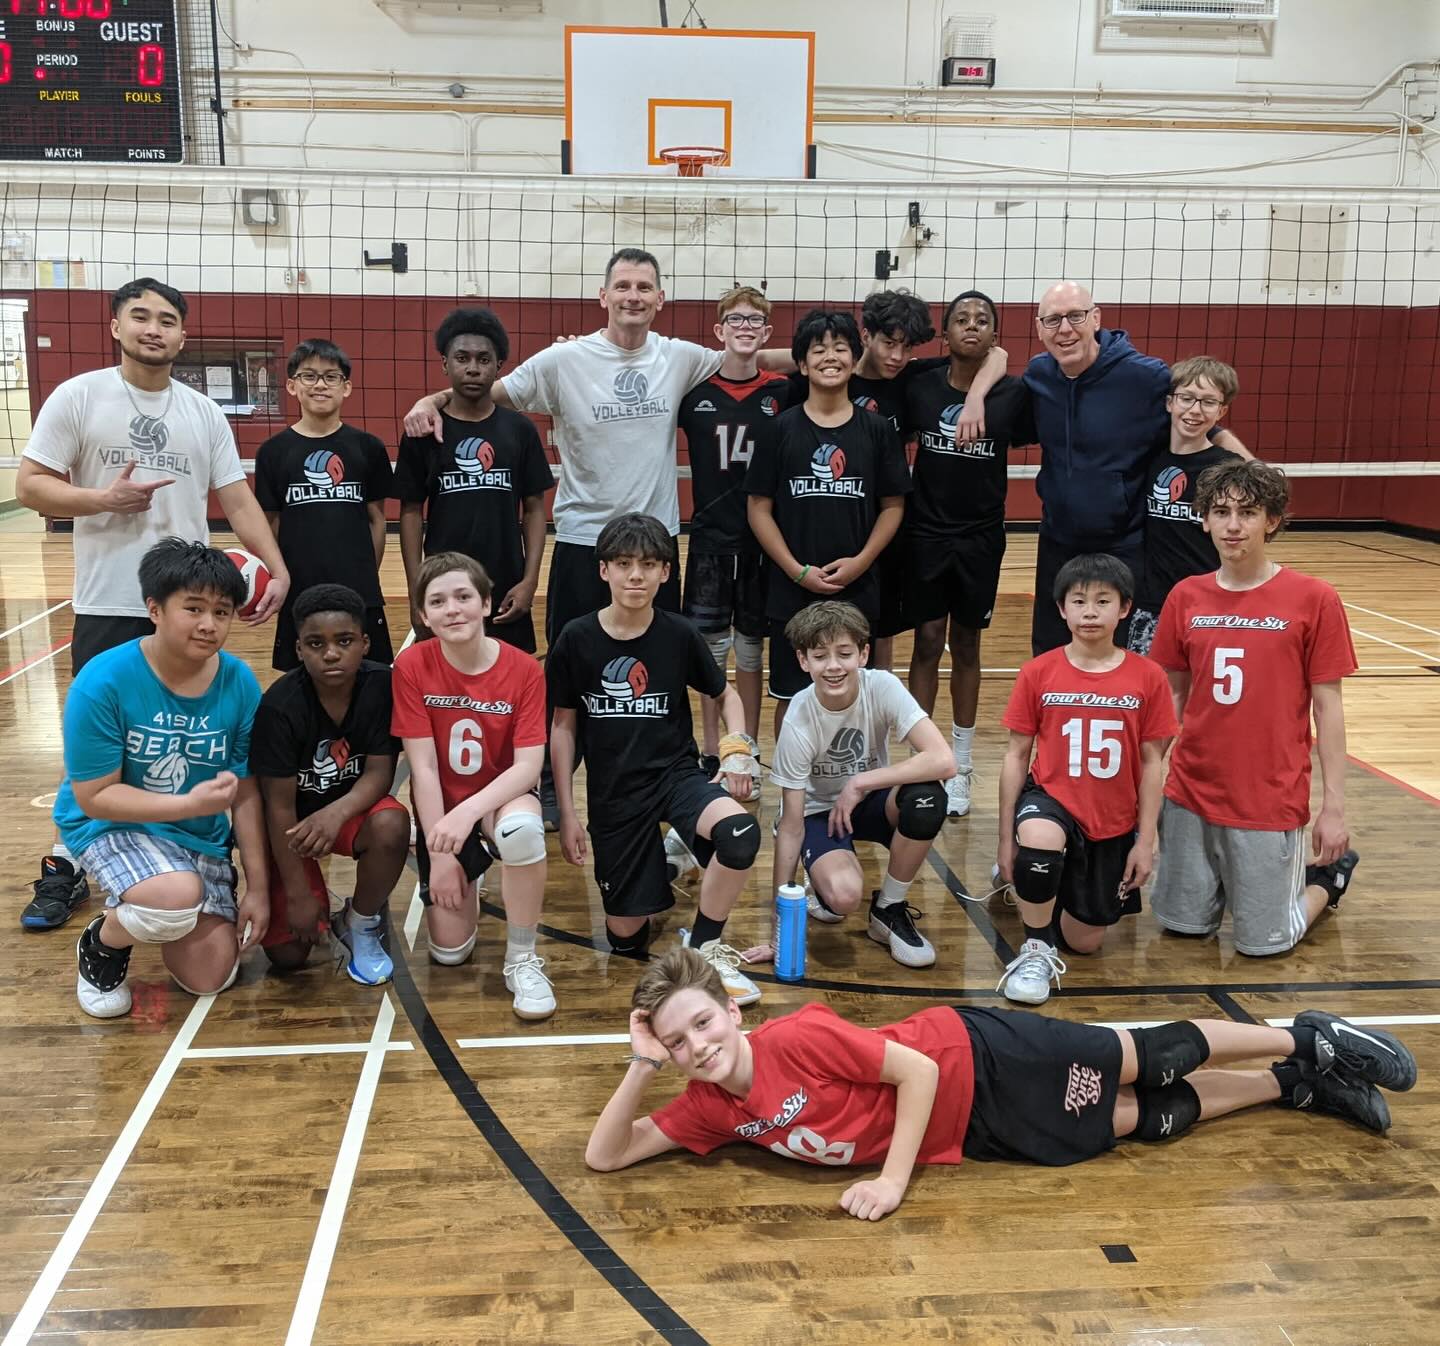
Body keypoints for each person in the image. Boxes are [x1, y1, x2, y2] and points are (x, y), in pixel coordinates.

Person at [583, 948, 1418, 1221]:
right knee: (1140, 1120)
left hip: (976, 1055)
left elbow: (910, 1070)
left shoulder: (797, 1034)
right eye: (677, 1039)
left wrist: (891, 1181)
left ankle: (1304, 1033)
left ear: (732, 1011)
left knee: (1147, 1057)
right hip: (971, 1134)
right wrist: (640, 1062)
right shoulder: (707, 1107)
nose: (697, 1046)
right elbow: (606, 1158)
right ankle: (1296, 1084)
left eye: (703, 1024)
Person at [17, 278, 288, 932]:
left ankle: (169, 843)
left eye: (167, 319)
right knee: (99, 740)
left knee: (179, 735)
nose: (153, 328)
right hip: (110, 600)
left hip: (190, 605)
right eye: (139, 316)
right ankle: (68, 862)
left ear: (182, 334)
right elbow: (30, 486)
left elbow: (239, 499)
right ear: (115, 326)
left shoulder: (201, 413)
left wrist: (279, 567)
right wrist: (101, 501)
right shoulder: (79, 397)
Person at [403, 249, 789, 646]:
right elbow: (487, 392)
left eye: (644, 287)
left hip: (655, 538)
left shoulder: (680, 357)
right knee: (575, 661)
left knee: (657, 657)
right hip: (583, 539)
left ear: (660, 298)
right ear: (603, 296)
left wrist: (822, 357)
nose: (633, 296)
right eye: (622, 286)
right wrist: (431, 400)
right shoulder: (563, 359)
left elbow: (750, 358)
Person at [954, 280, 1244, 656]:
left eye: (1075, 316)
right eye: (1053, 320)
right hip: (1059, 539)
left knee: (1119, 655)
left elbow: (1208, 426)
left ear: (1096, 319)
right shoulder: (1041, 376)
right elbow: (997, 357)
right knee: (1050, 650)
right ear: (1039, 329)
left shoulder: (1145, 377)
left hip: (1122, 544)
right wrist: (975, 396)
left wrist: (1254, 472)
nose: (1065, 329)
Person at [547, 513, 763, 1002]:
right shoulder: (576, 639)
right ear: (603, 570)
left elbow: (726, 696)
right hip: (614, 792)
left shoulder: (679, 633)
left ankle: (706, 947)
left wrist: (736, 752)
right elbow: (562, 726)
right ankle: (667, 866)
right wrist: (567, 811)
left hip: (676, 775)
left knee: (739, 834)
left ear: (667, 572)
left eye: (648, 564)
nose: (636, 575)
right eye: (623, 564)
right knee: (626, 937)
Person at [1149, 460, 1360, 957]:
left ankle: (1329, 879)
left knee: (1267, 943)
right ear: (1203, 520)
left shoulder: (1314, 598)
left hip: (1267, 797)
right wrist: (1146, 782)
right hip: (1190, 792)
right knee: (1182, 928)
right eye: (1220, 512)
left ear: (1272, 521)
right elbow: (1170, 699)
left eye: (1248, 512)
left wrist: (1333, 807)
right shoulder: (1185, 596)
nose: (1233, 525)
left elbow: (1328, 711)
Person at [62, 539, 268, 1019]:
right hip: (112, 823)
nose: (208, 624)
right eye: (192, 608)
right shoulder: (104, 680)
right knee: (174, 898)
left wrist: (256, 886)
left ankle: (149, 906)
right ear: (154, 609)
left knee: (211, 977)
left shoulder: (239, 682)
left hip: (195, 833)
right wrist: (188, 806)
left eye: (222, 611)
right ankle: (103, 944)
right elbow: (95, 797)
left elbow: (246, 793)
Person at [996, 554, 1177, 1005]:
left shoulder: (1148, 676)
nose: (1090, 611)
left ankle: (1045, 886)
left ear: (1125, 608)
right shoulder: (1038, 671)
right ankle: (1035, 947)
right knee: (1038, 836)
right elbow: (1016, 755)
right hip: (1053, 799)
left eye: (1102, 600)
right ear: (1061, 610)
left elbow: (1153, 763)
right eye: (1078, 601)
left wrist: (1145, 840)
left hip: (1112, 820)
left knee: (1085, 941)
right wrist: (1005, 841)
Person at [391, 552, 556, 1019]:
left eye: (464, 596)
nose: (453, 609)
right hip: (442, 807)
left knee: (522, 832)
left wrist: (465, 818)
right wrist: (441, 853)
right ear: (423, 615)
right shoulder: (411, 667)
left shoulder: (525, 669)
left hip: (499, 800)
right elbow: (422, 769)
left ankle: (522, 957)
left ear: (486, 603)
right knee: (449, 953)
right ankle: (470, 869)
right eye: (438, 601)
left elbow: (527, 768)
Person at [746, 309, 911, 736]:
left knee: (855, 693)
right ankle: (791, 790)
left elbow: (893, 505)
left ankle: (856, 787)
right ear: (802, 364)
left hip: (856, 587)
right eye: (818, 349)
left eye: (840, 348)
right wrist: (795, 570)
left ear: (855, 359)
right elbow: (758, 509)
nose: (830, 357)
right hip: (791, 589)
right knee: (790, 694)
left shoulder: (876, 431)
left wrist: (861, 561)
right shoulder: (779, 430)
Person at [767, 602, 952, 969]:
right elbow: (790, 825)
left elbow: (944, 760)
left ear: (864, 654)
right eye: (820, 656)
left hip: (872, 800)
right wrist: (779, 922)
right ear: (804, 661)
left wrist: (861, 782)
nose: (833, 666)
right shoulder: (798, 720)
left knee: (928, 797)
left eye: (844, 653)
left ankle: (888, 909)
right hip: (819, 813)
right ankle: (819, 883)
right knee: (844, 898)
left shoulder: (882, 686)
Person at [903, 290, 1032, 817]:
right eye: (961, 319)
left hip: (981, 536)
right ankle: (921, 762)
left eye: (983, 320)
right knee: (927, 641)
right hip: (926, 533)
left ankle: (960, 764)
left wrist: (985, 386)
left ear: (995, 334)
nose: (972, 326)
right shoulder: (921, 386)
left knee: (969, 643)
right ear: (945, 333)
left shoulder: (1014, 394)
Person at [250, 583, 409, 984]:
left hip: (350, 812)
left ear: (365, 643)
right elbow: (278, 807)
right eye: (316, 644)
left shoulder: (381, 687)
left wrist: (334, 814)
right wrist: (299, 893)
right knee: (288, 956)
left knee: (392, 823)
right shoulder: (279, 707)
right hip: (293, 828)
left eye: (344, 640)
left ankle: (359, 922)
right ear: (299, 649)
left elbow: (379, 774)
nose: (332, 653)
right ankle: (309, 896)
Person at [677, 285, 789, 774]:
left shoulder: (783, 391)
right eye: (735, 321)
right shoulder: (693, 394)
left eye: (754, 321)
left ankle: (746, 742)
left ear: (765, 333)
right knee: (707, 651)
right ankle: (710, 746)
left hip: (763, 542)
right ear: (719, 331)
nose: (744, 328)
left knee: (750, 648)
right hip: (709, 541)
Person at [395, 308, 551, 651]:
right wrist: (415, 590)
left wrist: (529, 582)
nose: (472, 368)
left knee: (504, 681)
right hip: (442, 583)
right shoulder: (423, 431)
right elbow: (410, 512)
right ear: (445, 364)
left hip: (506, 582)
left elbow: (535, 508)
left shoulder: (520, 430)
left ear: (498, 367)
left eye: (483, 359)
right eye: (462, 358)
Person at [254, 339, 394, 671]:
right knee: (301, 676)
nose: (320, 384)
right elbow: (269, 523)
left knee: (371, 677)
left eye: (331, 377)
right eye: (309, 376)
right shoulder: (273, 452)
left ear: (346, 388)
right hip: (298, 587)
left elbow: (377, 520)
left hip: (359, 589)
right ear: (291, 385)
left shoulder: (368, 447)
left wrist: (366, 576)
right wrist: (277, 574)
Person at [1127, 357, 1244, 656]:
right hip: (1153, 605)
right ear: (1169, 403)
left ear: (1222, 410)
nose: (1194, 410)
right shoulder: (1148, 457)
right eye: (1187, 398)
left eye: (1208, 402)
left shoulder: (1228, 468)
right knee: (1151, 694)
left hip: (1209, 606)